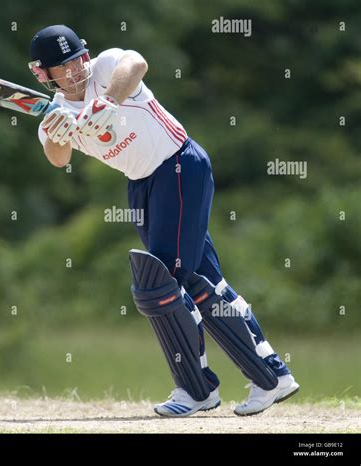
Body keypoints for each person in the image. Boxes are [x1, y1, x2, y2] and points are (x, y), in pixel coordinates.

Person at [29, 24, 299, 417]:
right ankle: (272, 376)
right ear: (43, 74)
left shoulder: (106, 71)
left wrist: (106, 104)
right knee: (202, 282)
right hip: (140, 185)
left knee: (159, 284)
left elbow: (136, 62)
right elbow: (58, 159)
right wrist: (58, 133)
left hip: (177, 164)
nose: (74, 71)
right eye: (62, 67)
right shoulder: (56, 115)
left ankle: (196, 390)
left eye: (76, 60)